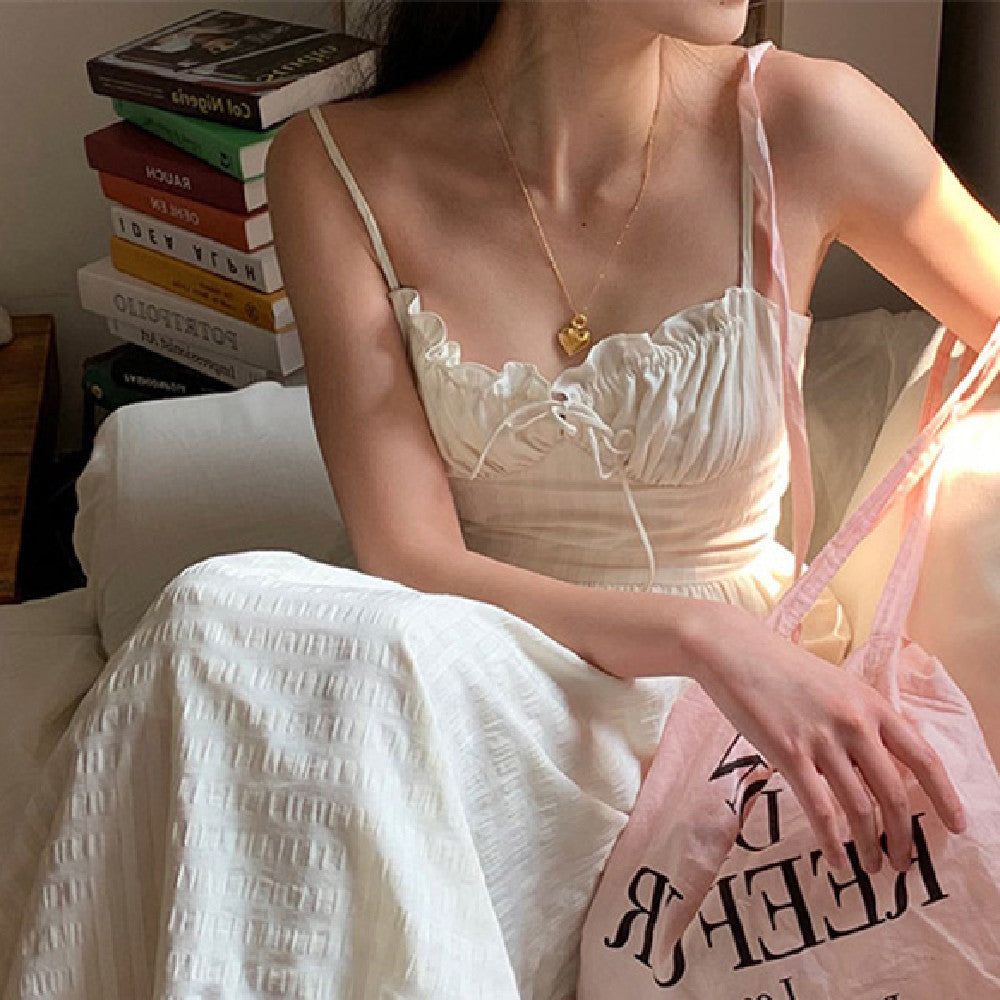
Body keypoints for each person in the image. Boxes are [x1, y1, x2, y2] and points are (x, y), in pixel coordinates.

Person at [2, 2, 995, 998]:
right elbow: (408, 555)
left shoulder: (802, 120)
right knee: (220, 621)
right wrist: (703, 634)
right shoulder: (334, 164)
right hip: (484, 685)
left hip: (729, 729)